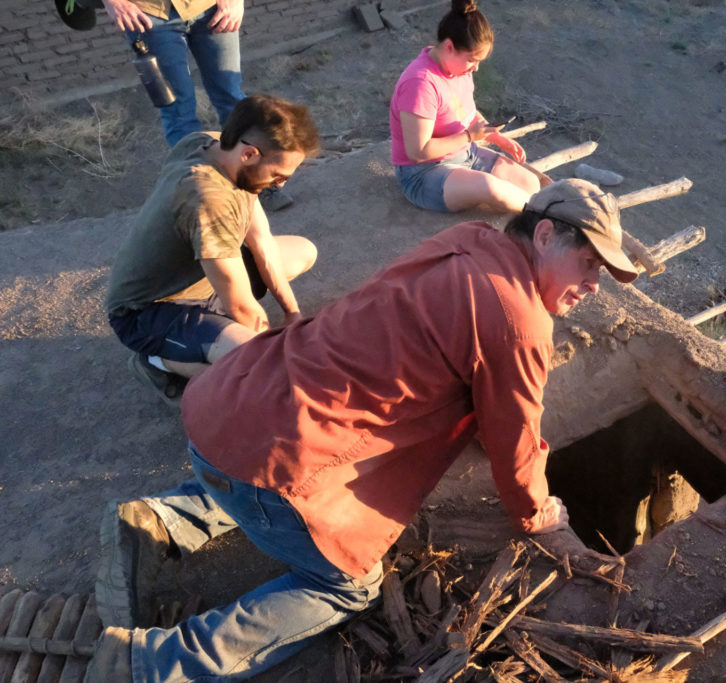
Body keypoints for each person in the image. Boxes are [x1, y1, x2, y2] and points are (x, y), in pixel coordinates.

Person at [85, 178, 639, 682]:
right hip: (270, 464)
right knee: (350, 585)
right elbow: (515, 444)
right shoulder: (520, 321)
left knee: (261, 465)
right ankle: (151, 664)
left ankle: (160, 520)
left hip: (225, 404)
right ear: (544, 235)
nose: (594, 285)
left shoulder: (467, 239)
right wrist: (539, 514)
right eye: (589, 263)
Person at [104, 94, 319, 405]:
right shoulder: (209, 200)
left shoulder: (214, 144)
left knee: (302, 250)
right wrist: (277, 360)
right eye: (278, 176)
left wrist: (293, 315)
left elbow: (262, 242)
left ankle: (210, 336)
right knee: (255, 370)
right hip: (148, 311)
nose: (280, 185)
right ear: (249, 154)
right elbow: (243, 306)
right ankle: (155, 361)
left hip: (204, 277)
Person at [389, 0, 541, 214]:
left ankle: (536, 210)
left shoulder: (458, 70)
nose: (476, 68)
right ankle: (543, 216)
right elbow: (418, 152)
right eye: (472, 60)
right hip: (425, 172)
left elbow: (463, 111)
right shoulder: (421, 83)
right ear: (450, 47)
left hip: (466, 154)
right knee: (490, 188)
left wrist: (495, 137)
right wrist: (469, 136)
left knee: (530, 184)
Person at [99, 0, 245, 149]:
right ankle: (194, 169)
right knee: (177, 109)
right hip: (150, 15)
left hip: (211, 8)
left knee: (231, 96)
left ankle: (248, 163)